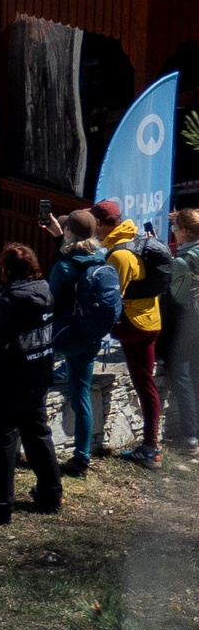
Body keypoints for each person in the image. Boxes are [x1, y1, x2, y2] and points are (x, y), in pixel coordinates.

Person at [0, 242, 63, 522]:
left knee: (4, 441)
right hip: (38, 374)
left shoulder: (9, 299)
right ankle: (52, 494)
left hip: (8, 380)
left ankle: (2, 505)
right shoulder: (46, 291)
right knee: (38, 435)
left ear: (8, 269)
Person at [95, 198, 171, 467]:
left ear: (104, 225)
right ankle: (151, 445)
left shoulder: (119, 255)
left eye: (95, 224)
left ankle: (151, 449)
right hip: (151, 321)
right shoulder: (135, 237)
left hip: (133, 326)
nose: (93, 229)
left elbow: (113, 299)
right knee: (146, 384)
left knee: (144, 385)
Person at [47, 209, 122, 472]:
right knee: (82, 395)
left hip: (67, 336)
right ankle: (81, 456)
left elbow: (50, 300)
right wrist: (61, 239)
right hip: (93, 335)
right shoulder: (101, 257)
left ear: (69, 232)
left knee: (67, 389)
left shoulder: (63, 267)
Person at [171, 207, 199, 457]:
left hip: (189, 321)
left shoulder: (182, 261)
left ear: (186, 232)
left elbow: (174, 295)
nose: (173, 233)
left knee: (180, 372)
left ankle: (191, 435)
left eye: (175, 229)